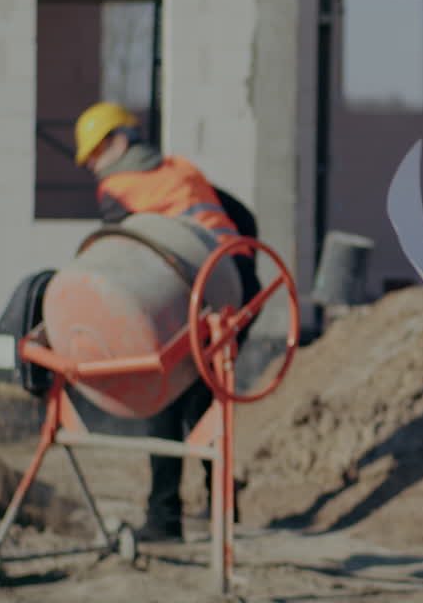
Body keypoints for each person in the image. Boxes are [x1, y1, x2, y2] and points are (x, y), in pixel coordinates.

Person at [74, 101, 262, 541]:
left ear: (118, 141)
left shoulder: (118, 188)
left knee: (164, 395)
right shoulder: (181, 169)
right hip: (239, 286)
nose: (94, 166)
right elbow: (244, 218)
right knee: (201, 396)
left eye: (95, 153)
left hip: (193, 291)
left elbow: (124, 255)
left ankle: (164, 519)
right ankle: (222, 509)